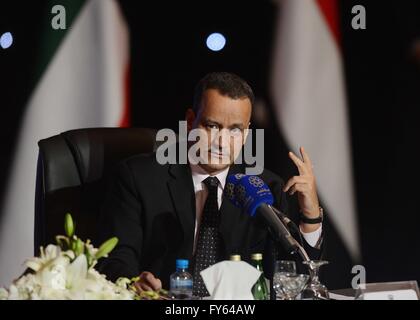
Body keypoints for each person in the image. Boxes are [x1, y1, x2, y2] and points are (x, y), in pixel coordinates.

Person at [97, 72, 323, 297]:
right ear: (189, 121)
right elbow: (115, 257)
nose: (221, 142)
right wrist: (133, 282)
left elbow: (293, 279)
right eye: (212, 126)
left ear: (246, 134)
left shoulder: (265, 187)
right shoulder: (138, 177)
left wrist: (310, 214)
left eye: (235, 130)